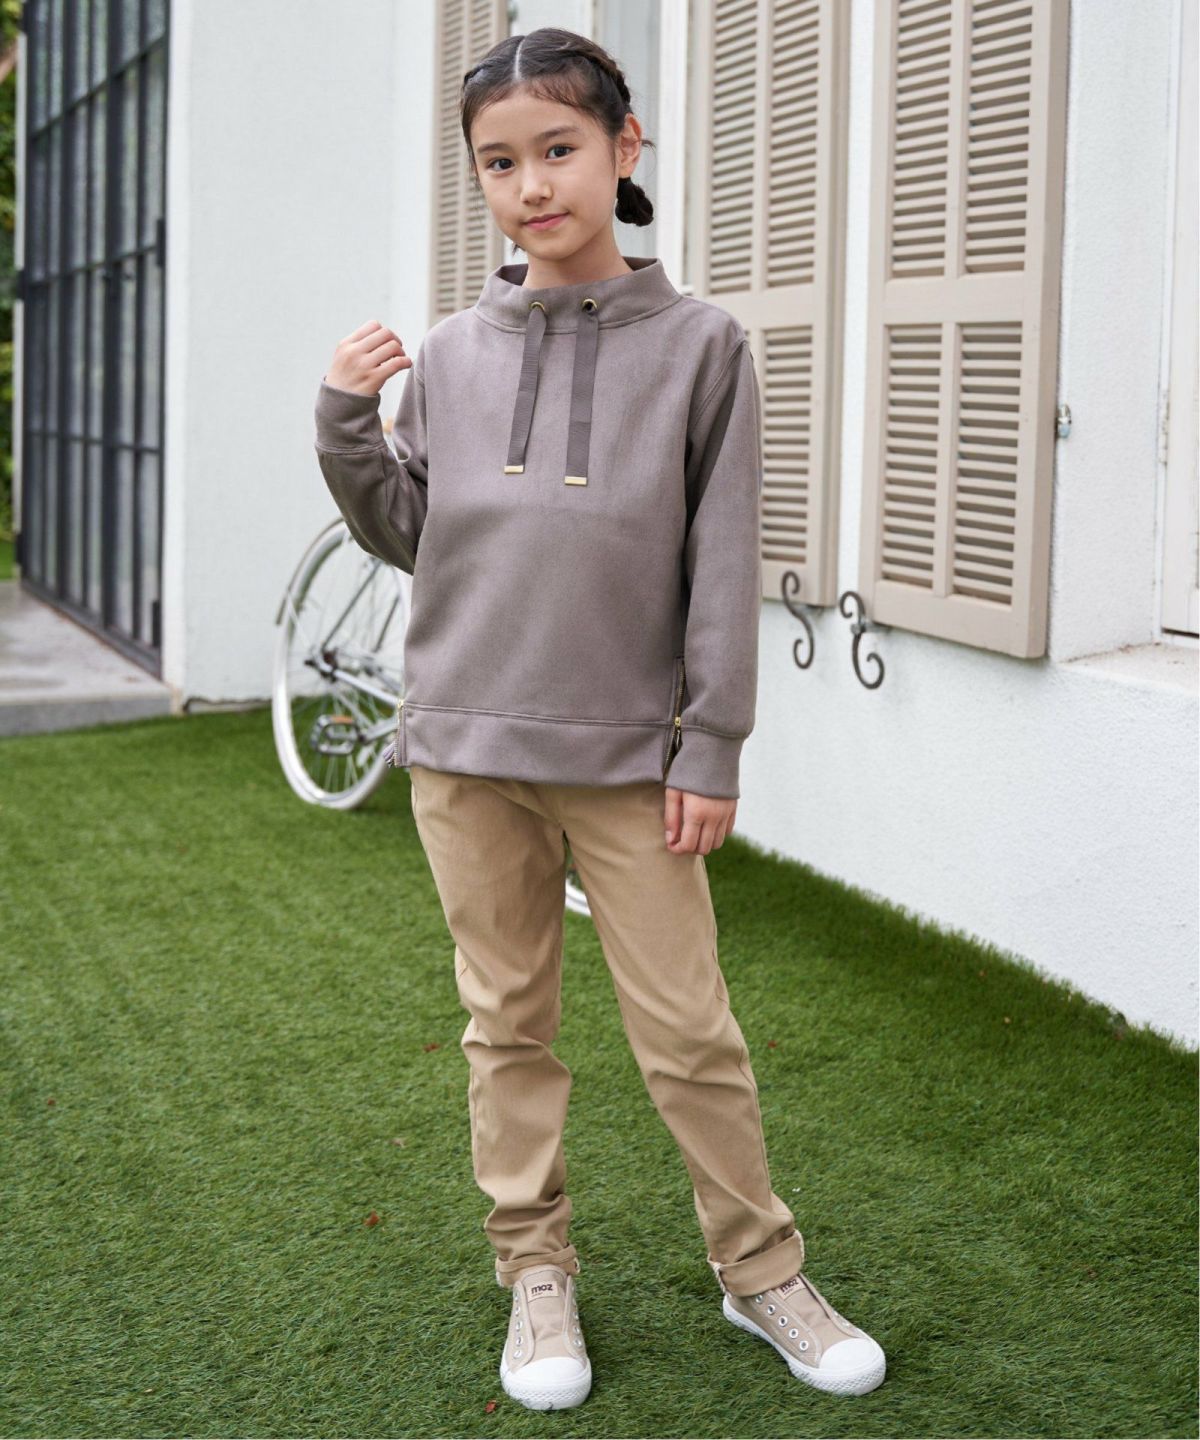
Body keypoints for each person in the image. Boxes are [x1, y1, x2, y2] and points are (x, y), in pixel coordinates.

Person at [313, 25, 885, 1411]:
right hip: (465, 754)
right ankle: (536, 1273)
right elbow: (417, 539)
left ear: (624, 149)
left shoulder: (704, 349)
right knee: (505, 1025)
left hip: (633, 759)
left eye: (558, 149)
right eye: (498, 162)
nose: (531, 185)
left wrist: (713, 743)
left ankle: (760, 1272)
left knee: (689, 1031)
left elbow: (722, 563)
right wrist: (345, 421)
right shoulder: (449, 355)